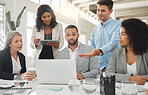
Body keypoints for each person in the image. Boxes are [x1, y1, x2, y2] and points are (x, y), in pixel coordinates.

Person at [79, 0, 121, 70]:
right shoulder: (95, 30)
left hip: (115, 66)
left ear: (110, 11)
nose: (99, 13)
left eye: (103, 11)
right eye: (98, 10)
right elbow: (92, 48)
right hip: (100, 68)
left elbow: (114, 43)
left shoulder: (118, 25)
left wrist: (100, 51)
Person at [106, 18, 148, 85]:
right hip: (123, 91)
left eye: (123, 34)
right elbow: (108, 74)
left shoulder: (146, 53)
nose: (119, 37)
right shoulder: (117, 53)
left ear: (133, 35)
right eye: (120, 34)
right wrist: (130, 78)